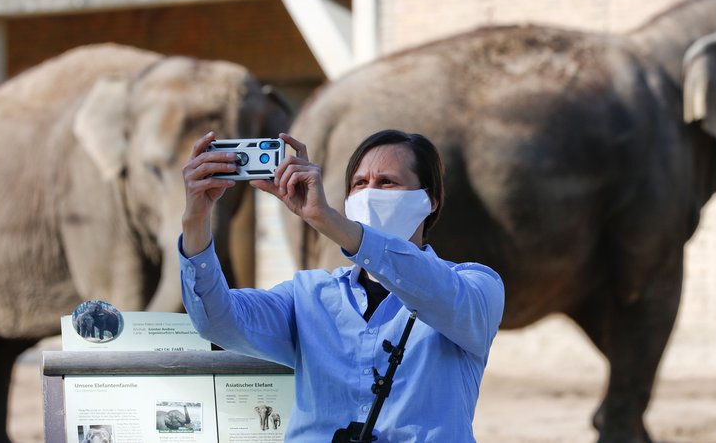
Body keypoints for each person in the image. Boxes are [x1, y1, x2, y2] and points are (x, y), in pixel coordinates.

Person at [179, 129, 505, 442]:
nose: (369, 193)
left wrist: (327, 221)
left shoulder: (476, 285)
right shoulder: (307, 293)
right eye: (359, 184)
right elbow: (217, 321)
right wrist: (196, 221)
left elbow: (434, 289)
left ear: (430, 200)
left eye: (386, 182)